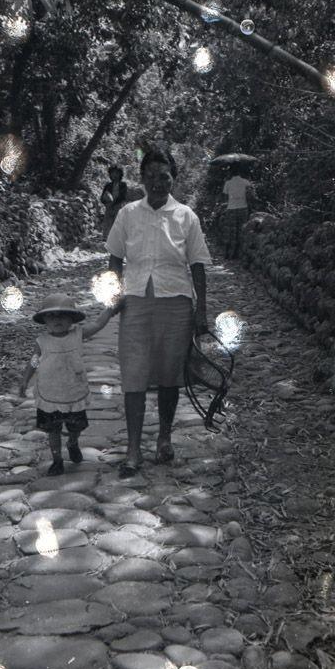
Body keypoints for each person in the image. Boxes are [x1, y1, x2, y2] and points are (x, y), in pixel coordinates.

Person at [106, 147, 212, 478]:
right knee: (134, 375)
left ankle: (164, 438)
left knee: (169, 376)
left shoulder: (186, 216)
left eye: (164, 176)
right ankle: (133, 450)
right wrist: (115, 295)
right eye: (150, 176)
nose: (157, 183)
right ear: (141, 178)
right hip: (136, 301)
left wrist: (201, 310)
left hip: (176, 303)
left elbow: (198, 264)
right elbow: (114, 256)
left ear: (173, 178)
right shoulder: (128, 214)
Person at [19, 293, 123, 476]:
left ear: (72, 319)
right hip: (50, 392)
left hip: (73, 390)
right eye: (51, 316)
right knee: (53, 430)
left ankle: (73, 442)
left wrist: (110, 309)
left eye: (63, 315)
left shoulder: (78, 334)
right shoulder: (42, 341)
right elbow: (34, 360)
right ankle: (57, 460)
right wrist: (25, 379)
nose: (57, 320)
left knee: (76, 426)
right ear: (44, 320)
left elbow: (97, 324)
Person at [222, 164, 252, 259]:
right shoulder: (245, 182)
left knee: (230, 232)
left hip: (231, 209)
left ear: (231, 172)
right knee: (241, 230)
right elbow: (250, 193)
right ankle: (238, 253)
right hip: (243, 208)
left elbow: (225, 197)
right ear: (240, 172)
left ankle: (228, 253)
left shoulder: (228, 183)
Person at [101, 165, 128, 241]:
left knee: (118, 221)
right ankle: (106, 237)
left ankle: (117, 239)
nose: (114, 175)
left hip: (119, 206)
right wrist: (106, 202)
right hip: (109, 206)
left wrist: (114, 203)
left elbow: (123, 196)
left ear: (120, 174)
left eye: (116, 173)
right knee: (107, 221)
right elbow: (102, 197)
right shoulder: (108, 185)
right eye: (112, 173)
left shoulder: (123, 185)